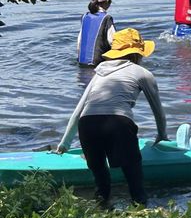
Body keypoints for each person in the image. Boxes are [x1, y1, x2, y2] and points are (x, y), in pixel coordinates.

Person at [57, 28, 169, 207]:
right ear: (136, 53)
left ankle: (101, 213)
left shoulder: (99, 73)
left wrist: (65, 143)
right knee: (134, 179)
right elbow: (158, 111)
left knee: (101, 181)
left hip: (87, 125)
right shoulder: (142, 73)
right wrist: (162, 134)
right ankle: (140, 211)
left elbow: (78, 110)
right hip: (118, 124)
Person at [76, 0, 116, 66]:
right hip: (99, 64)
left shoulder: (85, 17)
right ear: (107, 1)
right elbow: (113, 42)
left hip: (82, 61)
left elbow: (79, 42)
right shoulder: (106, 18)